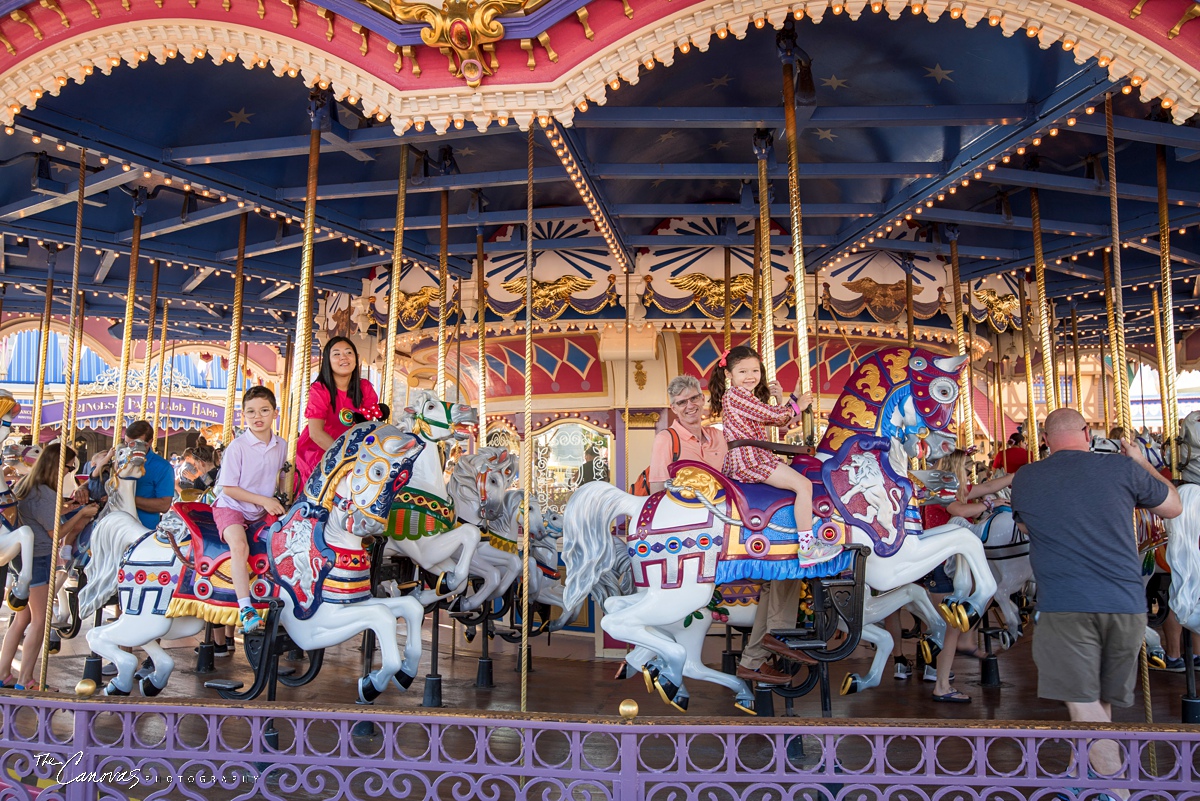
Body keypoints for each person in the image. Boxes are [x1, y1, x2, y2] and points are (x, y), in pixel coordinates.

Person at [1011, 407, 1181, 792]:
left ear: (1045, 438)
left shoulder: (1027, 477)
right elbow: (1172, 506)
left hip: (1065, 605)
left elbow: (1023, 525)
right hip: (1125, 606)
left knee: (1082, 701)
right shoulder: (1121, 469)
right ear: (1087, 433)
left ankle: (1115, 786)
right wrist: (1141, 462)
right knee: (1098, 699)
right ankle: (1079, 776)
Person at [0, 443, 98, 690]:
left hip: (20, 557)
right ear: (57, 465)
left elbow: (42, 515)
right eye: (67, 467)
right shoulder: (44, 493)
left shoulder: (26, 485)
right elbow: (57, 533)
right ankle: (26, 679)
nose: (68, 472)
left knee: (21, 619)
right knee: (41, 620)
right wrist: (82, 514)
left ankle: (4, 673)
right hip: (38, 557)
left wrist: (70, 507)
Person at [919, 448, 1014, 703]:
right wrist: (988, 504)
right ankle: (942, 681)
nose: (970, 470)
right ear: (956, 467)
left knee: (976, 604)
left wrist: (1016, 476)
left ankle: (953, 659)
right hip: (938, 566)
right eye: (967, 466)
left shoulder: (954, 490)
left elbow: (991, 485)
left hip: (947, 564)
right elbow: (960, 511)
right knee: (951, 625)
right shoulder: (940, 492)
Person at [709, 346, 811, 540]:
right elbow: (776, 416)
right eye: (743, 371)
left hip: (755, 457)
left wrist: (794, 398)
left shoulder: (744, 397)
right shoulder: (736, 395)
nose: (750, 376)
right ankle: (808, 546)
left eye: (755, 371)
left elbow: (773, 419)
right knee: (804, 485)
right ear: (728, 373)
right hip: (750, 460)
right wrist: (799, 406)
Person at [213, 386, 287, 633]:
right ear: (243, 415)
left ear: (275, 413)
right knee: (240, 545)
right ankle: (245, 608)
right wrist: (264, 501)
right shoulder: (238, 446)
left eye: (264, 410)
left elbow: (283, 478)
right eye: (251, 412)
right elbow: (230, 488)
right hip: (232, 506)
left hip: (260, 509)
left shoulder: (282, 445)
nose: (258, 417)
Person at [294, 337, 379, 490]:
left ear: (356, 359)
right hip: (321, 450)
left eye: (348, 352)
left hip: (355, 452)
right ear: (328, 360)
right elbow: (315, 433)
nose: (343, 358)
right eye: (336, 354)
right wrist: (346, 457)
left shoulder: (364, 388)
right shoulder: (321, 389)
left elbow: (369, 427)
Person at [647, 375, 728, 493]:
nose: (690, 406)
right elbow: (657, 491)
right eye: (682, 402)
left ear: (702, 399)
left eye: (694, 398)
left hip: (721, 508)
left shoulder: (719, 436)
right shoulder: (666, 439)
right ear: (674, 408)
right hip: (684, 509)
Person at [89, 421, 175, 530]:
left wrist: (125, 498)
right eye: (127, 443)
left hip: (142, 529)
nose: (130, 448)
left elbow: (164, 505)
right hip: (114, 524)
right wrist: (83, 487)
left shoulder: (163, 467)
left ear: (149, 442)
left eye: (135, 444)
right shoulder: (122, 458)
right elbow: (100, 476)